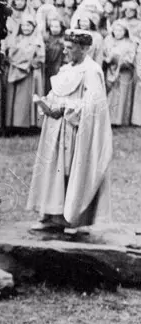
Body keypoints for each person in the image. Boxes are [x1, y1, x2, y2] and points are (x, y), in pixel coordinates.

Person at [26, 30, 113, 235]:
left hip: (75, 131)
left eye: (70, 48)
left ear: (84, 48)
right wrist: (46, 102)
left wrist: (66, 108)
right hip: (54, 128)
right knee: (51, 170)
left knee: (70, 170)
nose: (65, 51)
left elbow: (94, 105)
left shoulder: (91, 71)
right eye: (64, 46)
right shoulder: (66, 69)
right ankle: (51, 215)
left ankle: (72, 218)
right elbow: (57, 92)